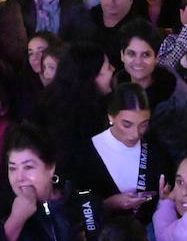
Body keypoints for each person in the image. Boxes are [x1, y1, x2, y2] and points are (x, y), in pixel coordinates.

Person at [67, 82, 171, 218]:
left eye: (143, 125)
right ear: (111, 116)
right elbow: (73, 206)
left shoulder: (156, 150)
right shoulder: (85, 153)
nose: (135, 134)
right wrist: (106, 205)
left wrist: (166, 200)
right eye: (127, 125)